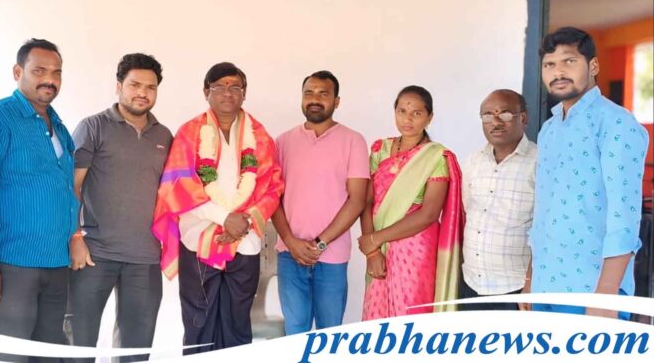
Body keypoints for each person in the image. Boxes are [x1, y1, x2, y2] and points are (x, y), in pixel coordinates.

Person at [151, 62, 283, 353]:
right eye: (219, 86)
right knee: (199, 325)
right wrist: (225, 218)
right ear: (206, 92)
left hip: (245, 242)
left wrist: (243, 222)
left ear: (244, 93)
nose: (227, 92)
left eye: (235, 86)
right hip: (198, 243)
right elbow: (178, 185)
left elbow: (272, 188)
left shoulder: (260, 137)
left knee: (237, 325)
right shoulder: (190, 133)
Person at [525, 27, 649, 318]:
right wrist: (531, 278)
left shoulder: (616, 123)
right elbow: (544, 209)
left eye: (569, 61)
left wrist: (606, 292)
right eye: (549, 64)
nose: (558, 72)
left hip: (592, 289)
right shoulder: (549, 129)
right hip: (545, 284)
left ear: (593, 66)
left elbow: (624, 216)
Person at [0, 39, 79, 362]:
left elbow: (65, 191)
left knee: (48, 356)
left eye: (56, 73)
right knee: (6, 356)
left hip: (55, 264)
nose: (50, 80)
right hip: (10, 265)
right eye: (39, 71)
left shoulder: (58, 125)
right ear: (18, 72)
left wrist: (74, 237)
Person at [67, 53, 172, 363]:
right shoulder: (93, 127)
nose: (142, 93)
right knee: (78, 345)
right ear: (118, 86)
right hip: (94, 254)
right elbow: (70, 187)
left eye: (150, 87)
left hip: (145, 258)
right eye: (135, 85)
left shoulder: (164, 136)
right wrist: (75, 237)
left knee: (135, 351)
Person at [271, 70, 368, 334]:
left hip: (331, 256)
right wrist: (290, 241)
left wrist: (320, 243)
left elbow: (357, 200)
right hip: (290, 254)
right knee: (295, 332)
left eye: (323, 94)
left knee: (330, 333)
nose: (315, 99)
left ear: (336, 101)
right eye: (309, 93)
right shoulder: (282, 142)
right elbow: (272, 197)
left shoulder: (353, 141)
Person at [357, 85, 464, 319]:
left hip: (416, 248)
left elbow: (428, 214)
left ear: (429, 117)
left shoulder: (436, 157)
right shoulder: (380, 149)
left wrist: (375, 239)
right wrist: (372, 252)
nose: (408, 119)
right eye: (402, 111)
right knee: (376, 315)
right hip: (378, 248)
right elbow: (367, 201)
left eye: (417, 113)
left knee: (411, 314)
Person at [459, 89, 537, 310]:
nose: (495, 122)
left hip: (516, 289)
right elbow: (468, 210)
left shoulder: (540, 163)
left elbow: (547, 230)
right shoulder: (472, 161)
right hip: (471, 284)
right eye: (487, 115)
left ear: (523, 117)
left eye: (505, 114)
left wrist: (530, 284)